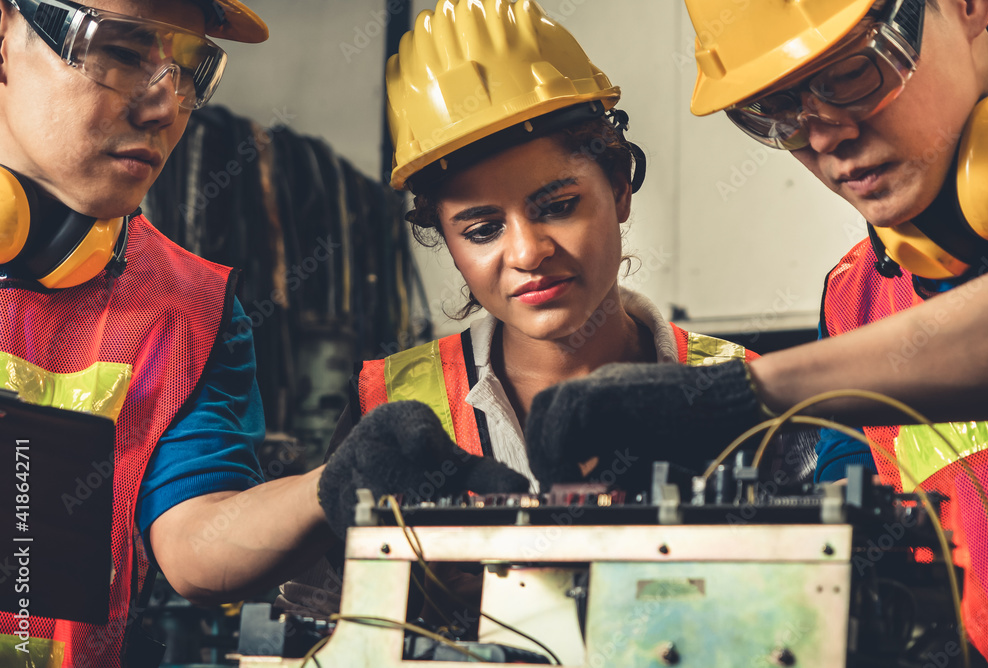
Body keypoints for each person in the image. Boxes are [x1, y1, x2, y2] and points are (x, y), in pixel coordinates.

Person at [525, 0, 988, 663]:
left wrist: (737, 397)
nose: (825, 137)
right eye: (780, 111)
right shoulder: (857, 299)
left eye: (851, 75)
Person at [281, 0, 766, 620]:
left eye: (558, 205)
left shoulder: (742, 391)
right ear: (448, 244)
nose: (528, 252)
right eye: (482, 229)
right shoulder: (386, 406)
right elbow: (322, 634)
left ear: (619, 187)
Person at [0, 1, 341, 665]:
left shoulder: (192, 311)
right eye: (123, 53)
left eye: (187, 71)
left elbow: (195, 543)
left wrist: (337, 485)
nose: (165, 108)